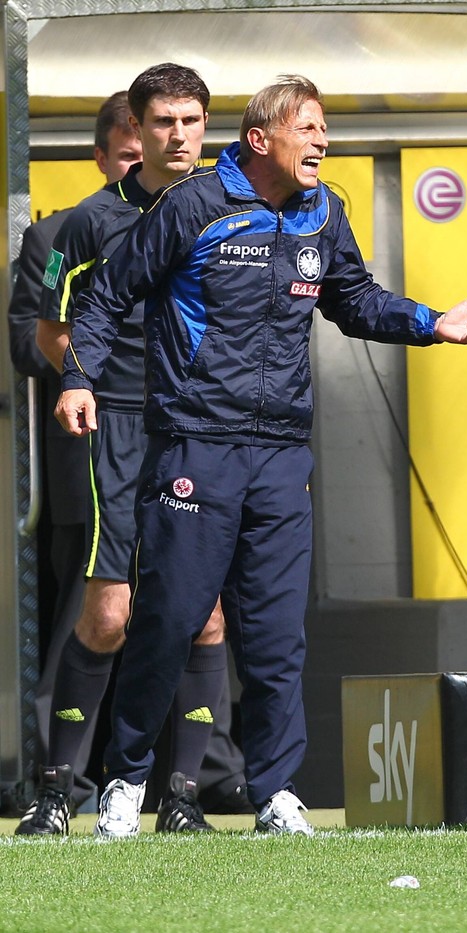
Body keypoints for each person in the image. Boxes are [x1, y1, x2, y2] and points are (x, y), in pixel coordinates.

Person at [55, 74, 467, 839]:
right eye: (309, 129)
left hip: (280, 456)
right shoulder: (193, 206)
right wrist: (77, 377)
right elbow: (105, 295)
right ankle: (127, 780)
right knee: (167, 621)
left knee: (272, 631)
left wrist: (433, 323)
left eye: (325, 129)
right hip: (194, 444)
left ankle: (274, 791)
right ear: (260, 140)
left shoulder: (321, 211)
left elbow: (354, 299)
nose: (322, 142)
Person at [16, 66, 243, 837]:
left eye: (191, 121)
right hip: (115, 429)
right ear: (134, 133)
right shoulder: (82, 224)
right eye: (161, 123)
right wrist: (82, 379)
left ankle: (180, 796)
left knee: (204, 612)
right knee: (109, 612)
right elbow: (50, 328)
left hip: (204, 431)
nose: (177, 135)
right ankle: (55, 790)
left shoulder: (236, 208)